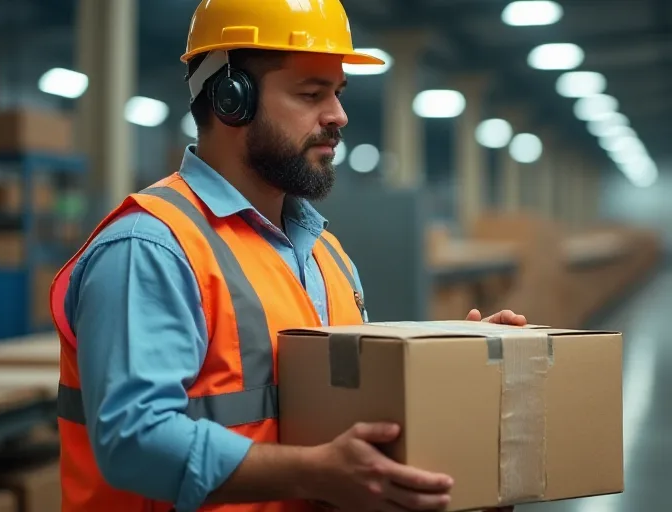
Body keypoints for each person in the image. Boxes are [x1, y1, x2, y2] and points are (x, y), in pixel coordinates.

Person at [47, 1, 527, 511]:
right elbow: (133, 442)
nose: (339, 115)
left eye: (337, 93)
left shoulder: (325, 253)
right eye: (310, 93)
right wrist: (315, 474)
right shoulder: (151, 247)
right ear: (232, 99)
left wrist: (454, 364)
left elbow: (345, 410)